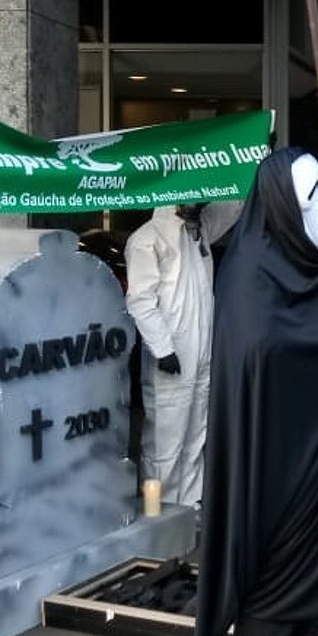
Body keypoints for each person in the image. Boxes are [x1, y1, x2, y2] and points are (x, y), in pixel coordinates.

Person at [196, 148, 318, 636]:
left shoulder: (307, 268)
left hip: (312, 466)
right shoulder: (249, 278)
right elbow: (269, 356)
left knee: (297, 620)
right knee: (273, 618)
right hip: (273, 484)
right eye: (314, 193)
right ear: (283, 206)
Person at [124, 201, 241, 508]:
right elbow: (140, 301)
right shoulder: (148, 238)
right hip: (171, 356)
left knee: (195, 433)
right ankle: (159, 508)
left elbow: (233, 207)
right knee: (166, 438)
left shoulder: (199, 230)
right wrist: (163, 348)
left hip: (200, 352)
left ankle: (190, 505)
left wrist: (246, 171)